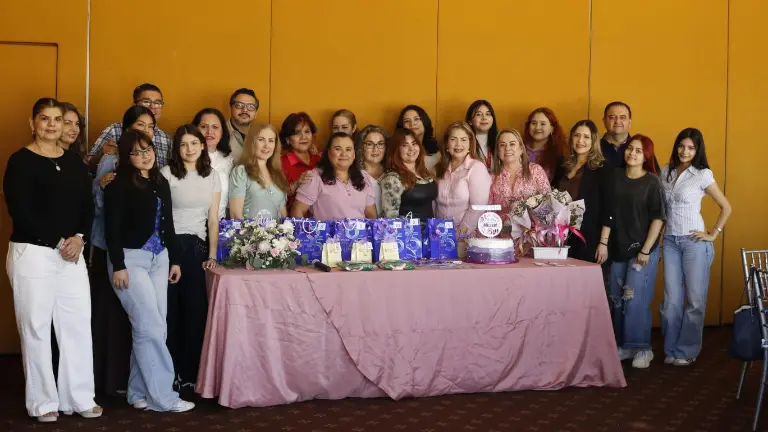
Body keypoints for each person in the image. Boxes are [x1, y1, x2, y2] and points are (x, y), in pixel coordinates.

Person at [4, 98, 101, 422]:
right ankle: (43, 402)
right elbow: (21, 210)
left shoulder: (74, 163)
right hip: (32, 254)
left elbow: (87, 208)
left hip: (70, 254)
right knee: (36, 327)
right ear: (33, 124)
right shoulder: (20, 161)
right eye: (44, 119)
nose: (51, 124)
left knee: (76, 326)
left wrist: (78, 238)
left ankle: (80, 397)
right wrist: (60, 240)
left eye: (57, 119)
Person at [104, 129, 194, 413]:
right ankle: (164, 397)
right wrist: (118, 265)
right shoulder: (118, 184)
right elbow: (112, 229)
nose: (145, 156)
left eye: (148, 150)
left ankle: (138, 392)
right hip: (130, 260)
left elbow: (167, 225)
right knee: (150, 326)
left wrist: (176, 260)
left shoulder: (159, 181)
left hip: (160, 257)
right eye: (137, 152)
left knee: (154, 327)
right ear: (126, 156)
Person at [90, 106, 155, 397]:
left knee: (141, 321)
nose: (145, 130)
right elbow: (101, 207)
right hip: (113, 248)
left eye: (150, 126)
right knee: (116, 318)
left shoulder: (151, 164)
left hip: (147, 252)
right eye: (139, 125)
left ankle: (135, 386)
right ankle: (112, 383)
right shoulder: (112, 160)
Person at [660, 128, 731, 366]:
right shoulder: (665, 171)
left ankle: (687, 351)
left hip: (694, 243)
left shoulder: (702, 174)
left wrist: (713, 234)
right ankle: (671, 349)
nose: (685, 151)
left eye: (691, 147)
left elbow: (726, 207)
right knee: (671, 301)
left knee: (695, 300)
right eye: (681, 146)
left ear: (698, 150)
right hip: (669, 240)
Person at [597, 134, 665, 369]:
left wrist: (646, 250)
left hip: (642, 250)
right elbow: (608, 213)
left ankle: (643, 348)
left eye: (638, 150)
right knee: (617, 298)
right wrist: (603, 243)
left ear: (646, 156)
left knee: (635, 299)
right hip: (617, 247)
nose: (632, 153)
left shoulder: (652, 182)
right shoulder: (615, 177)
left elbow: (658, 219)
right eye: (630, 149)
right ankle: (625, 345)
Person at [161, 125, 220, 387]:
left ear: (202, 145)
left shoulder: (213, 176)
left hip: (197, 248)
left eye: (194, 143)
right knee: (169, 313)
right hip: (169, 247)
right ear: (177, 148)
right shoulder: (166, 174)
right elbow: (160, 217)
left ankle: (191, 374)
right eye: (184, 144)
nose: (189, 149)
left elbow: (213, 219)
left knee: (195, 312)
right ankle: (169, 373)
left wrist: (213, 254)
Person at [552, 120, 613, 262]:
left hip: (588, 236)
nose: (580, 141)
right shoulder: (562, 165)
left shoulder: (602, 168)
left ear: (594, 141)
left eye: (586, 137)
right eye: (577, 135)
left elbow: (609, 208)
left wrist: (603, 243)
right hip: (560, 235)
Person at [434, 121, 492, 256]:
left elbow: (477, 207)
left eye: (463, 140)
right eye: (453, 139)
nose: (458, 144)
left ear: (470, 144)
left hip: (465, 239)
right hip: (439, 236)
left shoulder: (476, 168)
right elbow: (434, 204)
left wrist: (458, 236)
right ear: (447, 144)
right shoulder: (438, 169)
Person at [291, 132, 377, 220]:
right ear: (328, 153)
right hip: (326, 233)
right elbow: (297, 210)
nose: (344, 154)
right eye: (338, 149)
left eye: (348, 149)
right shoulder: (315, 177)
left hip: (360, 233)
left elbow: (371, 216)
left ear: (354, 154)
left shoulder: (363, 176)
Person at [86, 83, 172, 168]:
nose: (152, 106)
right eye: (146, 102)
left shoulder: (166, 139)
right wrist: (102, 154)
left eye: (157, 103)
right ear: (135, 105)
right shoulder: (114, 131)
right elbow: (88, 164)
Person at [488, 128, 550, 222]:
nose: (507, 148)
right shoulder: (491, 178)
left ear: (521, 148)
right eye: (502, 145)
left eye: (512, 144)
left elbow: (549, 204)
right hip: (501, 233)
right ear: (498, 151)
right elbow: (488, 211)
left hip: (532, 233)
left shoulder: (536, 171)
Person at [229, 124, 289, 220]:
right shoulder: (241, 172)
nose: (266, 145)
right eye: (261, 140)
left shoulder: (278, 174)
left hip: (277, 234)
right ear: (252, 143)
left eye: (271, 141)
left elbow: (283, 215)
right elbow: (235, 214)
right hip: (247, 234)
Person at [379, 128, 437, 221]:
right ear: (397, 150)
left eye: (414, 144)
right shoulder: (392, 179)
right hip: (409, 233)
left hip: (431, 232)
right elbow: (390, 218)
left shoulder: (424, 173)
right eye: (405, 145)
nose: (411, 149)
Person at [193, 108, 233, 220]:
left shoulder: (228, 160)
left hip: (220, 225)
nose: (209, 132)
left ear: (222, 132)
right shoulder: (186, 157)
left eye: (215, 127)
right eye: (203, 126)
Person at [600, 101, 660, 172]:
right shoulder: (594, 148)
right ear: (604, 121)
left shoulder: (641, 147)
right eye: (612, 117)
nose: (618, 121)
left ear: (629, 122)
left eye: (623, 117)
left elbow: (655, 176)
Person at [279, 112, 321, 210]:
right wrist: (297, 183)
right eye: (297, 133)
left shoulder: (319, 160)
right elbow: (276, 197)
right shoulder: (281, 163)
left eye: (307, 131)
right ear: (288, 139)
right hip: (293, 221)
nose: (303, 137)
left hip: (322, 220)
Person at [523, 107, 565, 182]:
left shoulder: (558, 155)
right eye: (534, 123)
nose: (537, 127)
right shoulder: (519, 149)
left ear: (552, 128)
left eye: (543, 124)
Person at [396, 105, 440, 172]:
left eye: (416, 119)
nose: (412, 124)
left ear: (425, 122)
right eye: (407, 121)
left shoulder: (437, 153)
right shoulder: (396, 151)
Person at [355, 124, 387, 214]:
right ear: (361, 147)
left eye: (380, 144)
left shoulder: (393, 174)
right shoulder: (354, 175)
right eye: (369, 144)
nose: (375, 149)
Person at [464, 100, 498, 171]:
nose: (484, 118)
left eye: (488, 114)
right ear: (470, 121)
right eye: (478, 114)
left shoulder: (500, 141)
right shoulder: (464, 142)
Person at [227, 88, 259, 162]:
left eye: (251, 107)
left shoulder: (260, 135)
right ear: (230, 108)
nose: (245, 110)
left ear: (256, 113)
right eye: (239, 105)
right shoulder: (218, 132)